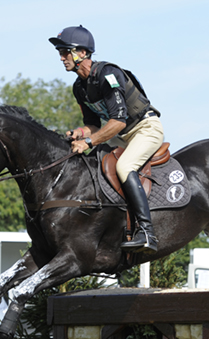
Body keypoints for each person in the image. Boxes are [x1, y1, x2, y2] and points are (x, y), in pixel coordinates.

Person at [49, 25, 164, 253]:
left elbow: (118, 121)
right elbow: (95, 125)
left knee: (124, 167)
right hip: (120, 135)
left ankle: (147, 232)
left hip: (145, 128)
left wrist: (90, 142)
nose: (61, 58)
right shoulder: (79, 88)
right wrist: (80, 133)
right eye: (60, 53)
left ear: (82, 53)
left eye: (65, 52)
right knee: (93, 165)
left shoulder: (108, 74)